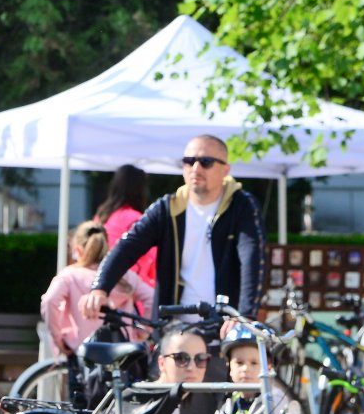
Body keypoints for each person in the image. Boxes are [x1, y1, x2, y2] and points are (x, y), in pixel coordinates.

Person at [81, 136, 263, 322]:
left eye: (205, 162)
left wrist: (244, 316)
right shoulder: (168, 208)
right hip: (174, 326)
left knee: (244, 351)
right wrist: (99, 288)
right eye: (188, 161)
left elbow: (251, 260)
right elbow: (127, 247)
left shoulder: (242, 206)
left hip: (224, 325)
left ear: (225, 169)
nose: (195, 168)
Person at [41, 222, 153, 355]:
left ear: (78, 250)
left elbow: (49, 300)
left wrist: (58, 339)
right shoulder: (125, 275)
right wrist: (143, 331)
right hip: (123, 349)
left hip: (83, 350)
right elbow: (152, 298)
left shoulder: (69, 275)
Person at [94, 163, 156, 291]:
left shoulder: (101, 216)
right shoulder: (136, 219)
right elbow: (154, 257)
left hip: (100, 282)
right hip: (129, 288)